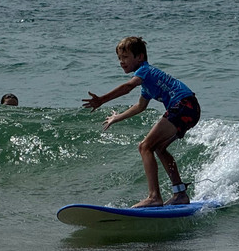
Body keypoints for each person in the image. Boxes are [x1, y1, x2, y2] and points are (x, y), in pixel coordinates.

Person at [82, 36, 200, 208]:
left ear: (140, 57)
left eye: (126, 57)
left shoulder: (144, 71)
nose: (122, 62)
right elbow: (139, 107)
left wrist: (102, 99)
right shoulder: (147, 84)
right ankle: (180, 193)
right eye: (119, 58)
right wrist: (117, 117)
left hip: (183, 105)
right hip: (191, 109)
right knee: (158, 147)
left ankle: (154, 197)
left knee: (144, 147)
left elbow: (128, 87)